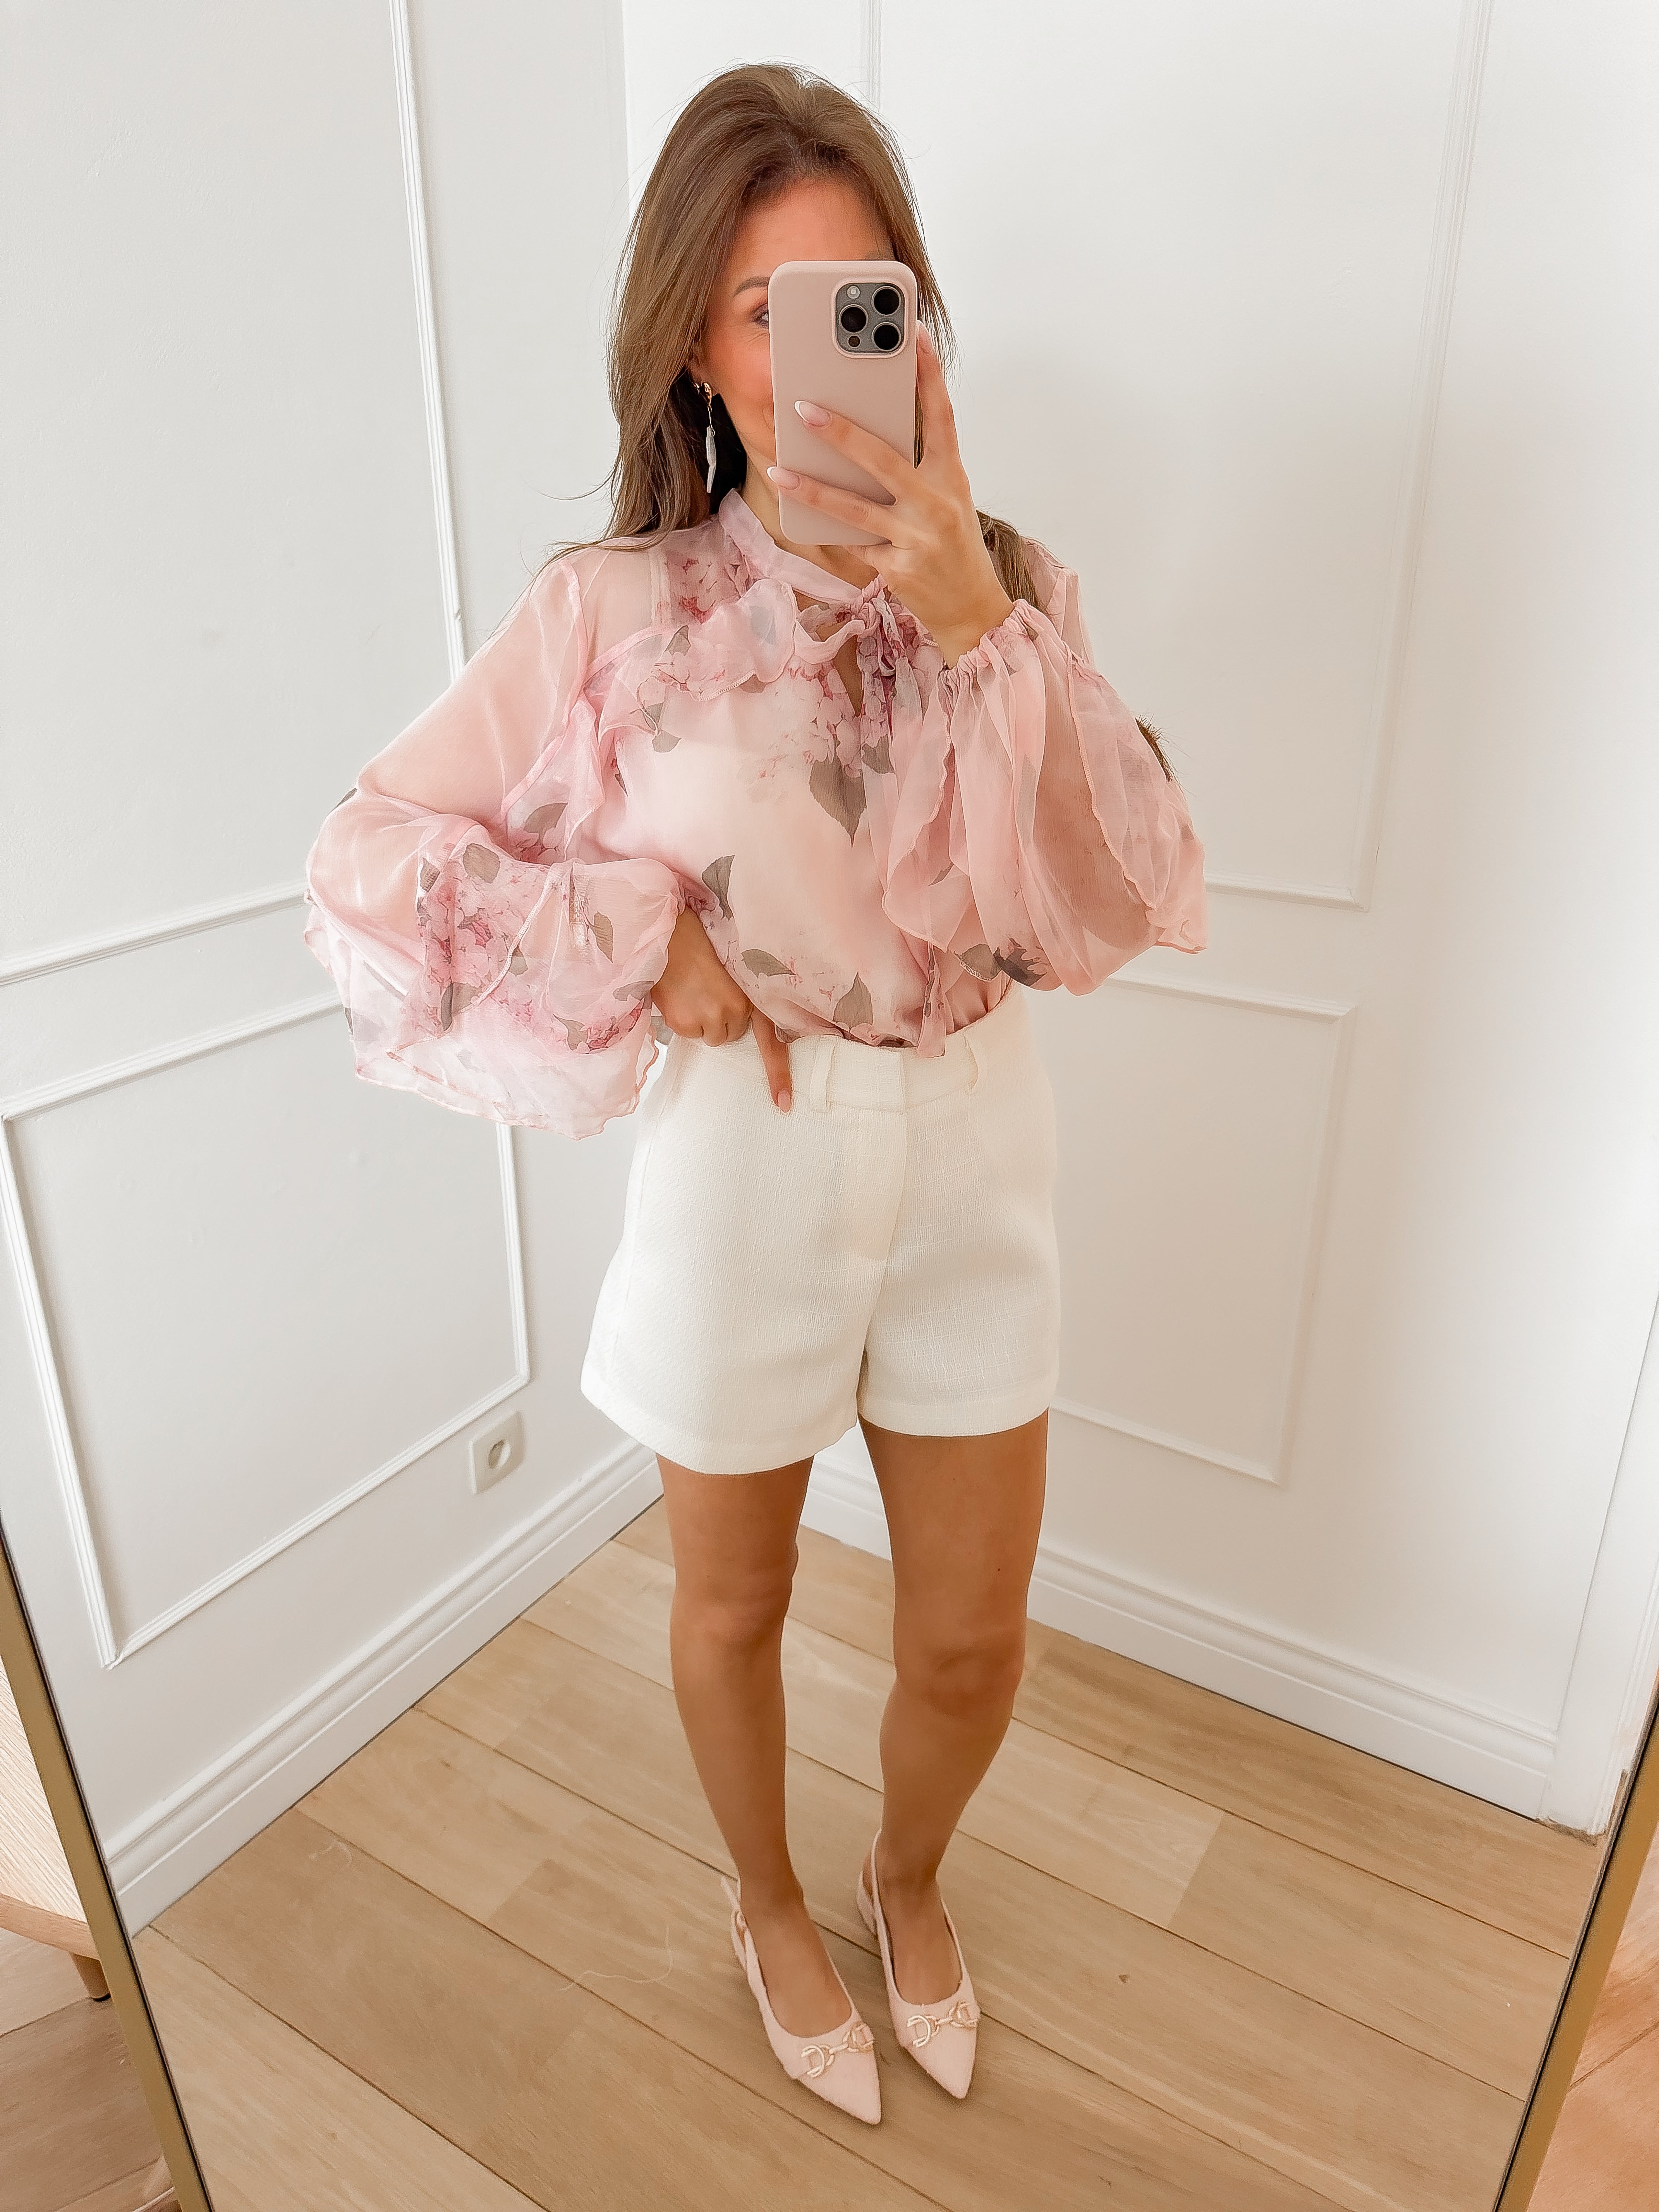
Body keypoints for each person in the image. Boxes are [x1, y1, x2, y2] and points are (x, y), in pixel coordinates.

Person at [303, 62, 1207, 2126]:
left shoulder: (1019, 584)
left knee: (971, 1639)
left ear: (913, 320)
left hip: (978, 1137)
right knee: (736, 1602)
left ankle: (908, 1878)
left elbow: (1121, 891)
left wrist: (979, 621)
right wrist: (643, 943)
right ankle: (770, 1904)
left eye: (862, 298)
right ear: (699, 355)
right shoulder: (614, 613)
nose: (822, 352)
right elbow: (362, 852)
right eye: (766, 310)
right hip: (748, 1156)